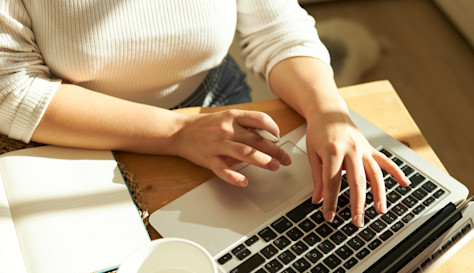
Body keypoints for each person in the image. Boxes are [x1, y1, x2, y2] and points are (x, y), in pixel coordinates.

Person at [0, 0, 409, 227]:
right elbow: (12, 89)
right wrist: (177, 132)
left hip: (215, 99)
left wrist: (328, 111)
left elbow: (276, 28)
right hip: (82, 126)